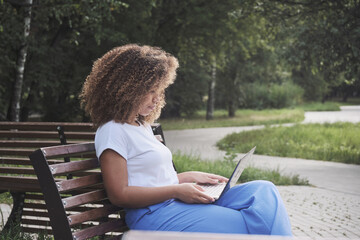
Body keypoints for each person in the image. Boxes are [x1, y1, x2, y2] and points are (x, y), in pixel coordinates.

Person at [79, 44, 292, 236]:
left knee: (264, 191)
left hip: (173, 202)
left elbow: (149, 179)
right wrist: (176, 190)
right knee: (249, 224)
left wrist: (187, 177)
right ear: (127, 90)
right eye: (151, 91)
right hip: (154, 215)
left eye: (160, 91)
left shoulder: (140, 125)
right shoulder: (112, 131)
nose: (157, 99)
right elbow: (119, 195)